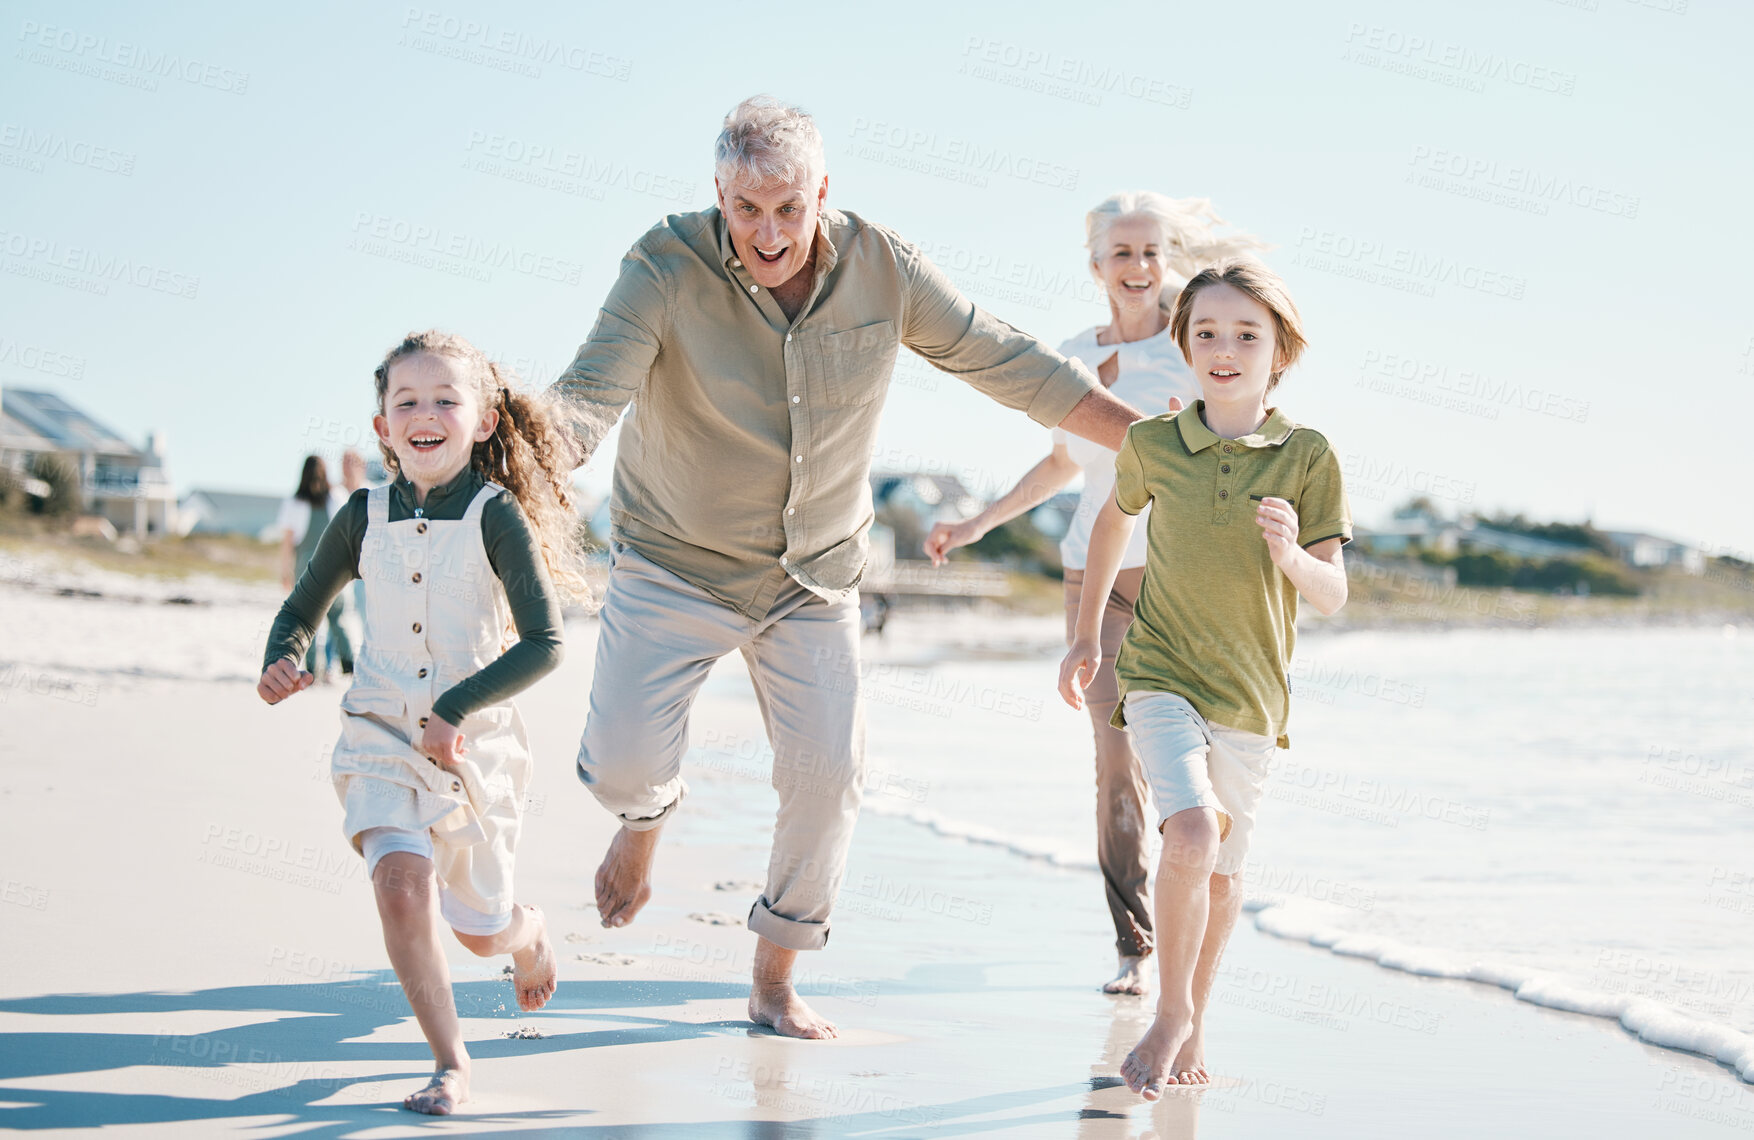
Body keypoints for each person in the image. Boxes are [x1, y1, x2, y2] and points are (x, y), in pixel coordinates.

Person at [548, 95, 1141, 1040]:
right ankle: (647, 815)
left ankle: (775, 977)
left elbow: (1009, 361)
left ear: (824, 193)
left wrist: (1155, 447)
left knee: (829, 773)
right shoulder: (663, 263)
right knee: (622, 765)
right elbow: (589, 395)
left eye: (790, 208)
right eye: (747, 210)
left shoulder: (882, 266)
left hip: (813, 575)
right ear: (717, 197)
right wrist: (523, 454)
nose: (769, 232)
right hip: (674, 562)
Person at [925, 191, 1265, 996]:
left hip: (1186, 584)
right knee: (1115, 761)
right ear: (1096, 266)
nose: (1139, 267)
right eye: (1123, 253)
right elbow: (1064, 463)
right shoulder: (1073, 356)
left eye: (1152, 252)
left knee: (1197, 767)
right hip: (1096, 580)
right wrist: (980, 521)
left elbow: (1243, 439)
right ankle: (1134, 943)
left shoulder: (1198, 345)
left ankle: (1199, 919)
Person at [257, 330, 590, 1115]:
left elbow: (546, 645)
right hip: (378, 731)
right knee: (401, 889)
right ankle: (452, 1063)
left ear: (481, 421)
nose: (425, 413)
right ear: (382, 427)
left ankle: (528, 932)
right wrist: (282, 655)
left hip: (473, 749)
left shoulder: (493, 515)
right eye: (406, 401)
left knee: (479, 931)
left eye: (446, 398)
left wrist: (453, 709)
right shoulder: (362, 514)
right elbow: (302, 607)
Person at [1058, 258, 1351, 1097]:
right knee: (1190, 834)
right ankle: (1171, 1014)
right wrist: (1086, 636)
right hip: (1160, 675)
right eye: (1207, 332)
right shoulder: (1154, 442)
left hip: (1252, 698)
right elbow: (1111, 523)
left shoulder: (1307, 456)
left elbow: (1331, 594)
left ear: (1279, 352)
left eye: (1246, 334)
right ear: (1184, 344)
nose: (1225, 348)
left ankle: (1193, 1016)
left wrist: (1292, 553)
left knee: (1222, 873)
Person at [277, 455, 352, 681]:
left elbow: (288, 543)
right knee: (338, 618)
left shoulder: (294, 503)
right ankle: (349, 667)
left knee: (308, 621)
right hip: (335, 567)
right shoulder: (337, 497)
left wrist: (285, 572)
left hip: (305, 568)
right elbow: (349, 533)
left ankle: (311, 670)